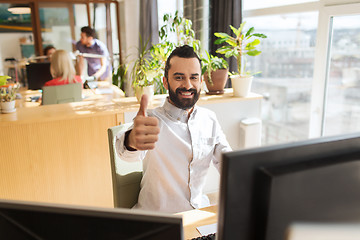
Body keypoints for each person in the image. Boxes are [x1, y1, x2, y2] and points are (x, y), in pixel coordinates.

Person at [115, 45, 232, 213]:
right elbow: (126, 153)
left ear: (201, 82)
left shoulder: (209, 119)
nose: (187, 85)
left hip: (198, 217)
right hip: (159, 222)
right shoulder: (151, 120)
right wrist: (131, 140)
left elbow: (227, 161)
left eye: (193, 77)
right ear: (165, 81)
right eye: (179, 77)